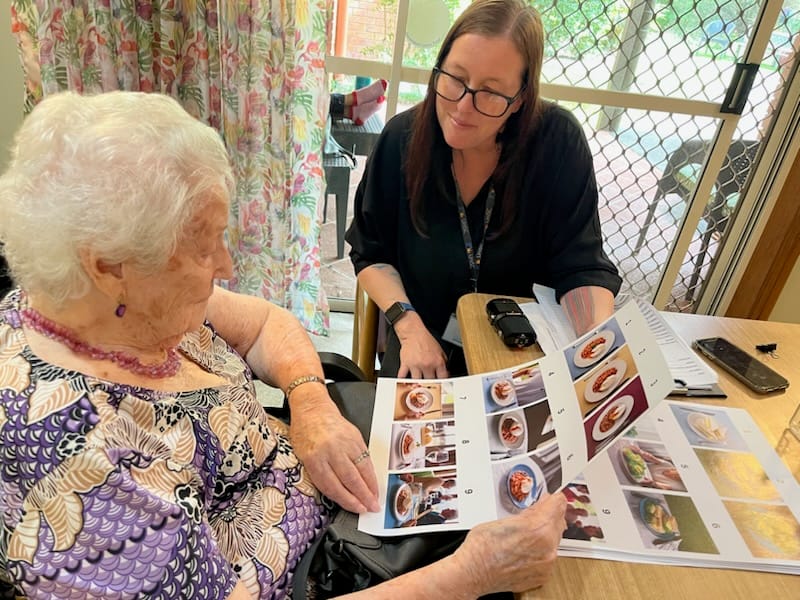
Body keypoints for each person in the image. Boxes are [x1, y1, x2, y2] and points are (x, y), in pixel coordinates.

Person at [0, 90, 567, 599]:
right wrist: (470, 575)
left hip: (336, 488)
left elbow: (263, 324)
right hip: (330, 571)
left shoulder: (112, 305)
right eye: (205, 248)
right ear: (108, 267)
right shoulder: (81, 463)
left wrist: (311, 404)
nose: (226, 266)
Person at [346, 0, 622, 379]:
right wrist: (408, 328)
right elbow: (369, 252)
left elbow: (581, 267)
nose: (463, 106)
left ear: (520, 99)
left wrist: (598, 350)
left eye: (490, 92)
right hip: (423, 337)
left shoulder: (558, 142)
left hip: (521, 349)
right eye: (455, 78)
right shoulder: (402, 138)